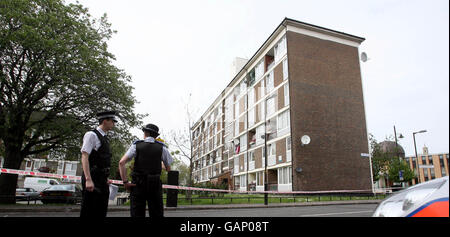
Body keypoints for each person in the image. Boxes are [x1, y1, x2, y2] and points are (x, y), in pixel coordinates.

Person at [119, 123, 173, 217]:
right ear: (156, 136)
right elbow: (168, 168)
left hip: (138, 184)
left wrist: (125, 182)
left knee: (137, 213)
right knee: (156, 213)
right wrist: (156, 162)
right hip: (154, 184)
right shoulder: (162, 148)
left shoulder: (136, 145)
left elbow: (121, 162)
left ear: (145, 133)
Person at [80, 111, 117, 218]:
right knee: (90, 209)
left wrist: (105, 177)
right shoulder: (91, 135)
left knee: (101, 209)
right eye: (112, 121)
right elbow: (85, 156)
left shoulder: (104, 137)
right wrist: (88, 179)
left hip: (102, 178)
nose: (114, 124)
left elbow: (102, 160)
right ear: (105, 121)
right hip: (92, 176)